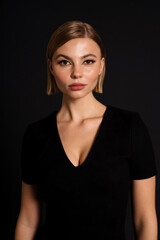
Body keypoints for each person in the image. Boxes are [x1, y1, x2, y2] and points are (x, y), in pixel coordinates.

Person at [14, 20, 158, 240]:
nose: (77, 73)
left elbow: (145, 220)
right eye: (65, 62)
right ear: (51, 66)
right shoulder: (36, 135)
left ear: (101, 65)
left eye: (87, 61)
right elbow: (27, 220)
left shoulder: (130, 127)